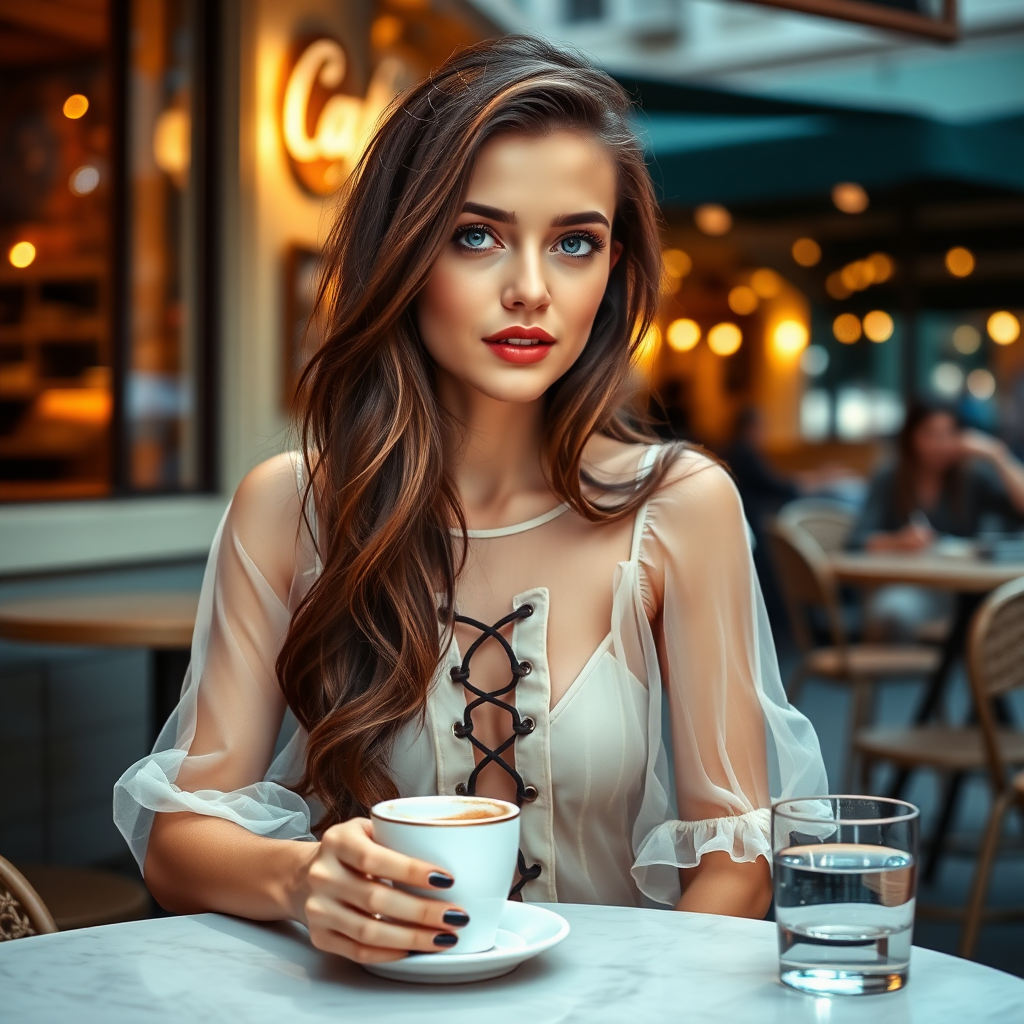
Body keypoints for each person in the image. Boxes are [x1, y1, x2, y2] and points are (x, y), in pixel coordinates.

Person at [114, 36, 825, 965]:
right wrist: (300, 878)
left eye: (576, 242)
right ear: (405, 251)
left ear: (615, 269)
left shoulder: (681, 507)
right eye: (476, 234)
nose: (531, 289)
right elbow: (179, 845)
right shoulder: (291, 506)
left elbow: (735, 861)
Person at [848, 397, 1024, 638]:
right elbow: (856, 542)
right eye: (930, 434)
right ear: (911, 436)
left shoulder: (970, 476)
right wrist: (898, 542)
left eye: (948, 434)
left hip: (963, 588)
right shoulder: (890, 476)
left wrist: (996, 454)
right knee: (895, 610)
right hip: (910, 585)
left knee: (1003, 616)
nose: (940, 444)